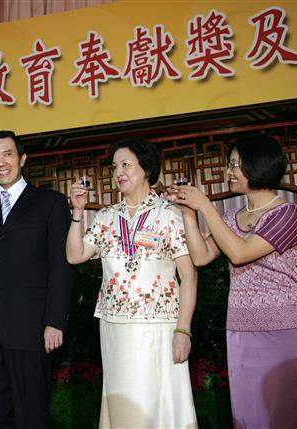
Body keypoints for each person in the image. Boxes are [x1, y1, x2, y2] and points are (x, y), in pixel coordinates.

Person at [167, 133, 297, 428]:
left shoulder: (288, 214)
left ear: (258, 166)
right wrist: (189, 214)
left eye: (235, 165)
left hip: (284, 328)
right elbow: (201, 257)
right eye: (229, 164)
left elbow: (240, 253)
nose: (228, 171)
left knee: (287, 412)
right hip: (240, 327)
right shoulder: (231, 217)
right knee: (248, 413)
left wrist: (206, 206)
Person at [66, 138, 198, 428]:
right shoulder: (106, 217)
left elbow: (188, 275)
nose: (118, 173)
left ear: (147, 169)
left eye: (126, 165)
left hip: (159, 327)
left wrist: (183, 330)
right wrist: (77, 213)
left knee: (158, 402)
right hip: (114, 326)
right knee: (123, 402)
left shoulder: (169, 214)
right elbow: (75, 255)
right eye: (115, 167)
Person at [0, 130, 73, 428]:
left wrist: (54, 321)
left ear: (22, 158)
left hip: (30, 322)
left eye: (7, 154)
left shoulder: (50, 202)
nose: (1, 162)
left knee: (30, 409)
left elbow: (60, 265)